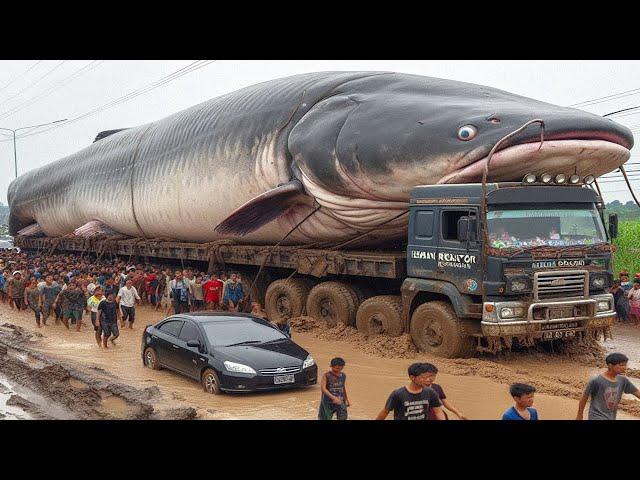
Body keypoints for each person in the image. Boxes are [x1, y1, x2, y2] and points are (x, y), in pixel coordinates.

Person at [576, 352, 640, 420]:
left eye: (625, 365)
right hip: (596, 416)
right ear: (610, 365)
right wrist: (580, 415)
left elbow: (637, 393)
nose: (624, 367)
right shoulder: (597, 380)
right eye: (621, 365)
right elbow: (584, 397)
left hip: (611, 417)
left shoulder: (623, 380)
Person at [376, 363, 445, 420]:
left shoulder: (431, 392)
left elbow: (438, 412)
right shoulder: (398, 394)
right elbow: (385, 412)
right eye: (423, 377)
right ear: (412, 377)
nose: (427, 380)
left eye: (429, 377)